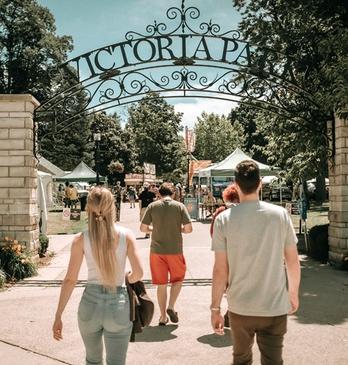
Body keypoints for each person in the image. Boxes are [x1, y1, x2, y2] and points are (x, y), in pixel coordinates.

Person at [211, 160, 301, 365]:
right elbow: (293, 261)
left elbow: (220, 270)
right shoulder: (280, 215)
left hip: (240, 306)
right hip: (274, 305)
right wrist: (293, 293)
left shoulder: (223, 220)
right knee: (273, 360)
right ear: (260, 183)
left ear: (235, 183)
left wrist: (215, 308)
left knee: (241, 359)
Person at [52, 187, 143, 365]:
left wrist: (58, 315)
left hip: (89, 306)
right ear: (113, 207)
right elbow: (139, 273)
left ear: (89, 209)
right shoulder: (127, 236)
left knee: (92, 360)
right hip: (118, 305)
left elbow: (70, 279)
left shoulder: (80, 239)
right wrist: (127, 278)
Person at [140, 182, 193, 326]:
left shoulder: (152, 206)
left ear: (159, 194)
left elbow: (143, 228)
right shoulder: (179, 206)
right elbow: (188, 229)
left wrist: (155, 229)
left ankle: (163, 316)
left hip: (156, 252)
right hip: (175, 250)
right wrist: (177, 229)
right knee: (178, 280)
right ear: (173, 193)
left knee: (161, 285)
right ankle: (171, 306)